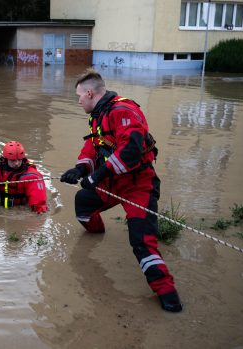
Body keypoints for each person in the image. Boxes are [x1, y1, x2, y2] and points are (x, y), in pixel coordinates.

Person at [59, 68, 182, 312]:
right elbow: (93, 147)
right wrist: (80, 169)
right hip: (113, 182)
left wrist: (96, 176)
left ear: (90, 93)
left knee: (142, 241)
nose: (78, 101)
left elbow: (131, 150)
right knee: (83, 204)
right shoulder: (98, 115)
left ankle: (167, 293)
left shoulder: (123, 110)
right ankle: (96, 232)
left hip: (138, 184)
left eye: (79, 96)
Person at [0, 141, 48, 214]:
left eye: (19, 160)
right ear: (5, 159)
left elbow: (39, 205)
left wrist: (39, 211)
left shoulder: (32, 176)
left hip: (15, 209)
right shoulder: (0, 167)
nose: (17, 163)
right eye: (13, 160)